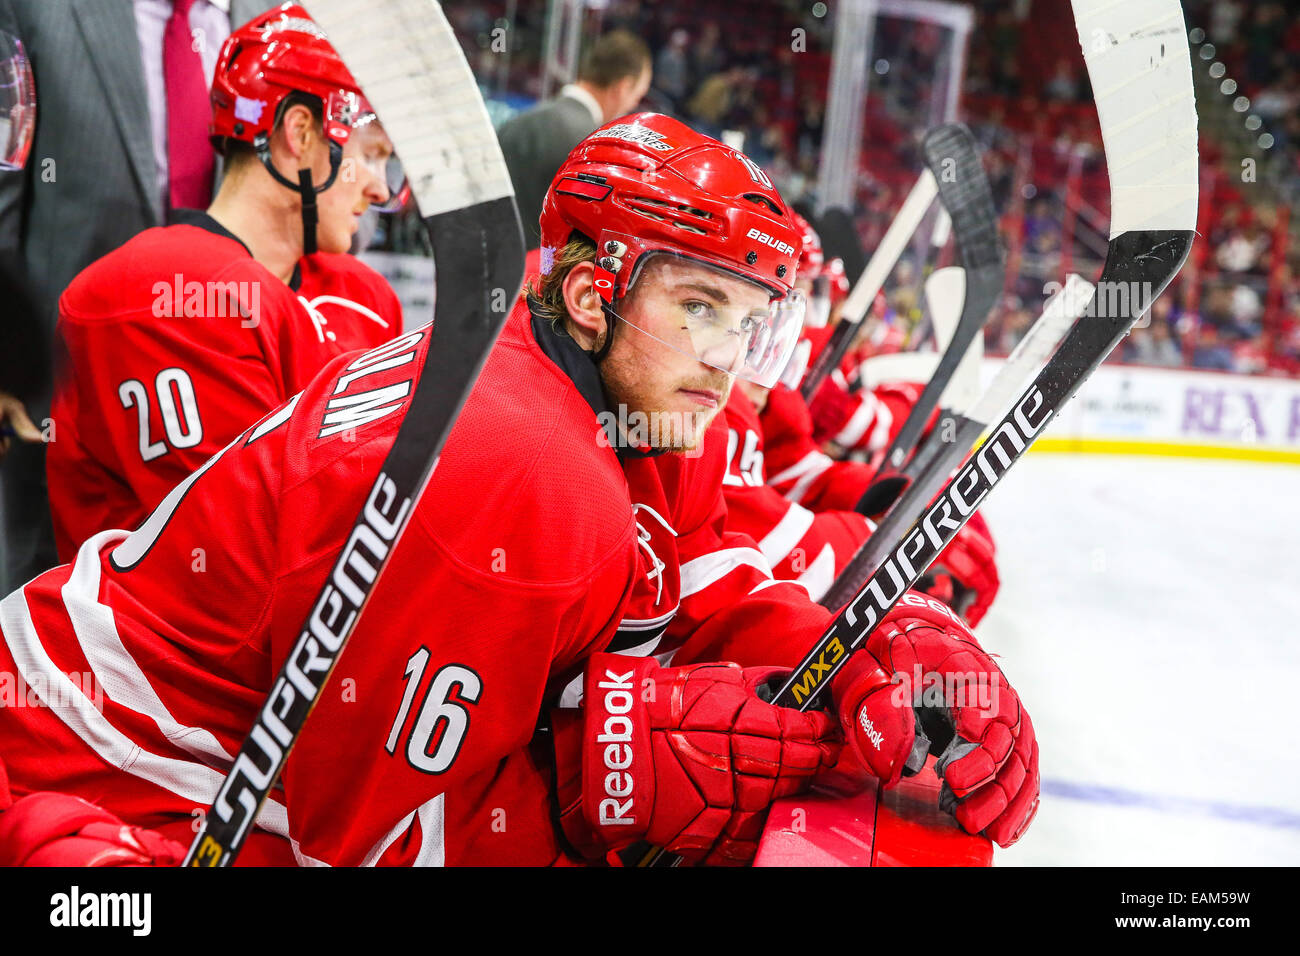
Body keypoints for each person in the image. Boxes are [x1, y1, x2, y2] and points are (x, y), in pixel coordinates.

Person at [0, 114, 1037, 866]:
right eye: (700, 304)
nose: (728, 357)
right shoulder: (518, 469)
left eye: (749, 320)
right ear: (595, 293)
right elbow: (357, 842)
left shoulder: (634, 397)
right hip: (88, 791)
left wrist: (870, 644)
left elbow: (702, 596)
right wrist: (596, 780)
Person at [44, 4, 404, 561]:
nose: (381, 190)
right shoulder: (165, 292)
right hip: (163, 643)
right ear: (301, 133)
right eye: (371, 156)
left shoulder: (367, 298)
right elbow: (245, 551)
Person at [0, 0, 281, 590]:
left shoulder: (273, 18)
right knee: (38, 604)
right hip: (60, 393)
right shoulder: (38, 10)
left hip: (220, 400)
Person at [495, 29, 652, 250]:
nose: (633, 106)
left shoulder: (515, 123)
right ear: (623, 88)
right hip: (540, 279)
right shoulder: (592, 149)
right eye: (636, 96)